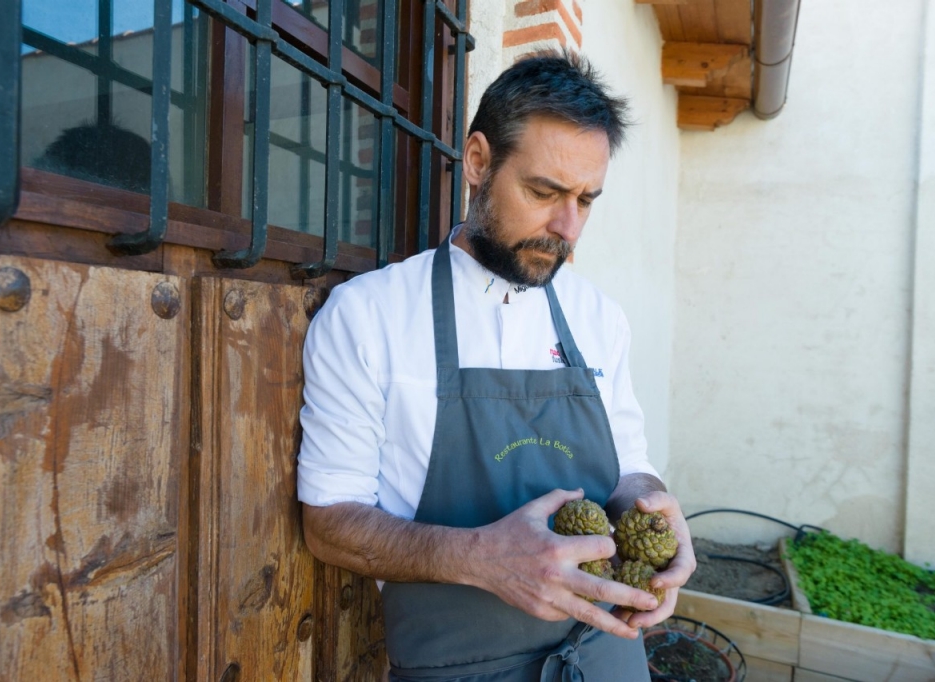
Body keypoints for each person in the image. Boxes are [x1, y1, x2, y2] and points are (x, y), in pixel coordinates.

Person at [296, 51, 696, 681]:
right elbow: (328, 523)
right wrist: (480, 557)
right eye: (544, 192)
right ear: (478, 162)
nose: (568, 228)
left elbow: (629, 472)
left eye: (586, 200)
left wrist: (657, 509)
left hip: (608, 657)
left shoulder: (599, 319)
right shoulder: (367, 317)